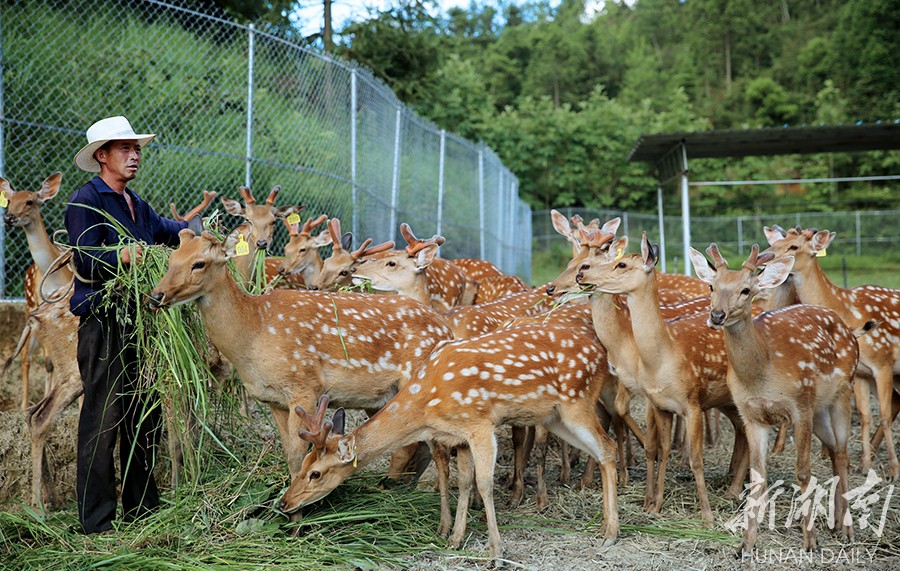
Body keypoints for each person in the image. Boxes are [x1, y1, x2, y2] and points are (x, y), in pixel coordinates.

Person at [66, 116, 196, 534]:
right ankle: (97, 522)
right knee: (103, 421)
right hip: (103, 321)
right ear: (102, 156)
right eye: (125, 148)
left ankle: (142, 509)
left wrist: (197, 232)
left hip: (142, 322)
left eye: (137, 148)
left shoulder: (137, 204)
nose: (134, 154)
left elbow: (165, 231)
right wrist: (121, 256)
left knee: (146, 415)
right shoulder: (85, 201)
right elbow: (83, 257)